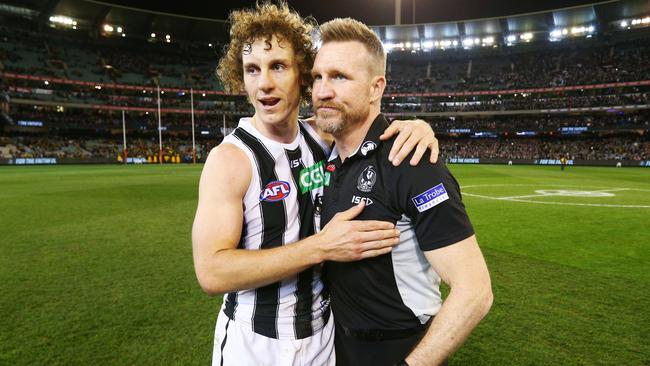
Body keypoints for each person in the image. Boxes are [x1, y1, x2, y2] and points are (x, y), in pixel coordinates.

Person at [191, 3, 439, 365]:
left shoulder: (321, 138)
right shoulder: (230, 160)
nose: (264, 83)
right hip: (256, 343)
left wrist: (419, 126)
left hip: (323, 338)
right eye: (251, 70)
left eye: (278, 66)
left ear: (302, 74)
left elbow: (363, 119)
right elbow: (211, 272)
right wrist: (320, 247)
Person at [312, 18, 493, 366]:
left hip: (395, 348)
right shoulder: (324, 153)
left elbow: (475, 291)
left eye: (340, 76)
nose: (322, 90)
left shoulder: (410, 160)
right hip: (334, 345)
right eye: (317, 77)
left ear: (375, 87)